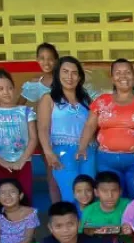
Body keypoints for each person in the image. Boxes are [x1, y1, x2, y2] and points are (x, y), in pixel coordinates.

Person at [78, 59, 134, 198]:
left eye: (127, 72)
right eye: (118, 73)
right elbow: (90, 125)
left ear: (133, 76)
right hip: (106, 160)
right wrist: (82, 146)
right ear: (112, 78)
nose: (123, 76)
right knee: (112, 200)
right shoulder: (101, 101)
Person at [38, 56, 96, 203]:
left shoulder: (86, 100)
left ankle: (88, 226)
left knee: (90, 195)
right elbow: (43, 128)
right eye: (65, 71)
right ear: (58, 74)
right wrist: (48, 152)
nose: (69, 76)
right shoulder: (49, 98)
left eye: (74, 72)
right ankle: (73, 226)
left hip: (88, 151)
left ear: (80, 77)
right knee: (70, 194)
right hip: (62, 152)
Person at [0, 69, 38, 199]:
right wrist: (1, 161)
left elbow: (34, 138)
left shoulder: (26, 111)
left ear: (14, 88)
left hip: (24, 163)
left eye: (9, 88)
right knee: (2, 197)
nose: (6, 92)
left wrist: (22, 160)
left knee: (25, 195)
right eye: (0, 89)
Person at [22, 42, 62, 205]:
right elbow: (17, 106)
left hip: (67, 134)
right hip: (46, 135)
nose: (46, 62)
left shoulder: (66, 81)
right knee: (52, 173)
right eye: (42, 58)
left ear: (57, 60)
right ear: (37, 60)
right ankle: (57, 209)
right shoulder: (34, 84)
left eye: (50, 59)